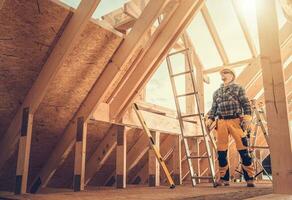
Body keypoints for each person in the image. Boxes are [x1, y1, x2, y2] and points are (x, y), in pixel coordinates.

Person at [206, 67, 255, 187]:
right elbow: (213, 108)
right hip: (221, 122)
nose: (223, 75)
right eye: (222, 73)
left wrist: (248, 117)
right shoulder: (216, 92)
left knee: (243, 150)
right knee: (221, 152)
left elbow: (245, 104)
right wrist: (210, 119)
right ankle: (224, 179)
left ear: (232, 75)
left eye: (226, 73)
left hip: (236, 121)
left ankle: (249, 178)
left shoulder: (238, 88)